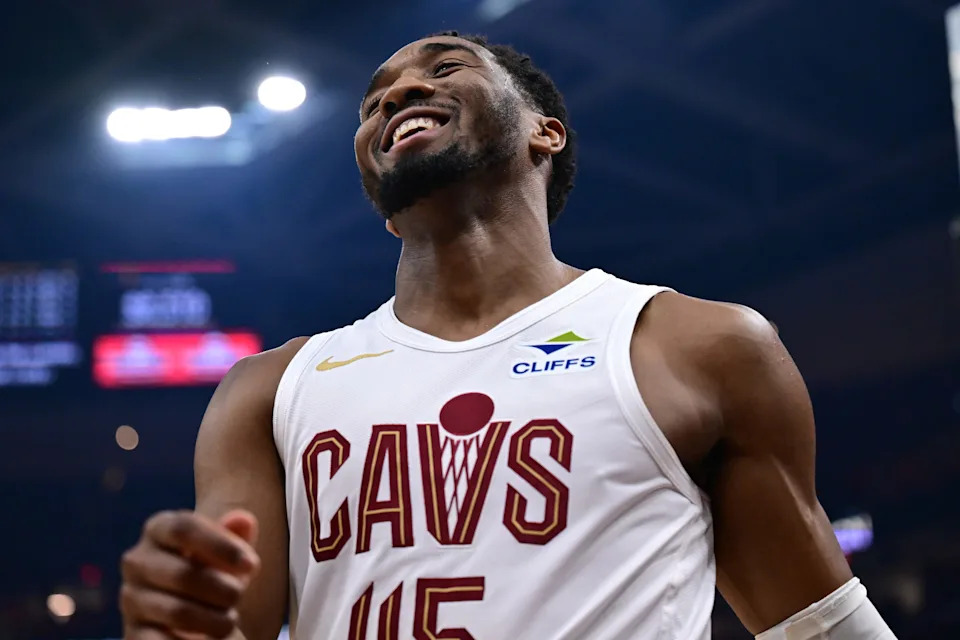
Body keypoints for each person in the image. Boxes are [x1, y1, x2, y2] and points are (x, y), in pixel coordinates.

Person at [119, 32, 897, 640]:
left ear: (545, 133)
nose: (399, 93)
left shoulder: (697, 346)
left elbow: (819, 623)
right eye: (374, 101)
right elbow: (212, 627)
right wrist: (168, 614)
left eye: (445, 68)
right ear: (383, 203)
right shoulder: (269, 390)